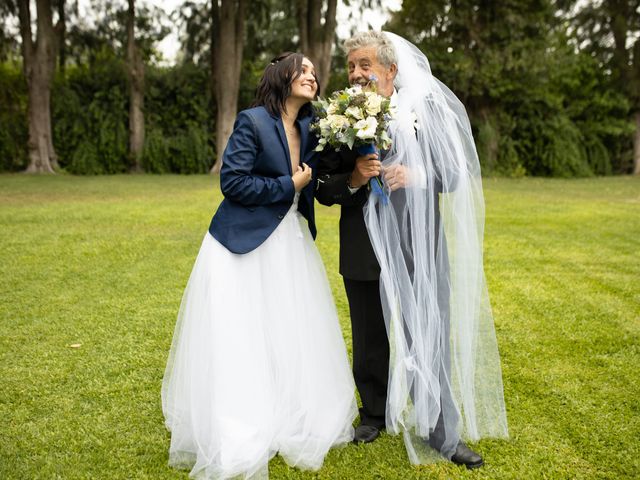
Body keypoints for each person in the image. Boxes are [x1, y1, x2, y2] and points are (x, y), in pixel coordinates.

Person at [315, 31, 508, 469]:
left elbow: (455, 173)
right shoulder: (338, 118)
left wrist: (417, 175)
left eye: (365, 65)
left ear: (391, 70)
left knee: (429, 332)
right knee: (368, 333)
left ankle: (441, 429)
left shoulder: (423, 109)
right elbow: (323, 188)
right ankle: (374, 415)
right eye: (350, 66)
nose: (357, 74)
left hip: (416, 241)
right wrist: (355, 179)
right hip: (362, 243)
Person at [162, 52, 357, 480]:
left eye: (313, 71)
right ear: (281, 77)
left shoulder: (313, 126)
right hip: (242, 245)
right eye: (303, 69)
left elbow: (325, 176)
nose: (312, 75)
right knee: (245, 331)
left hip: (291, 241)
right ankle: (243, 418)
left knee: (290, 328)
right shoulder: (251, 122)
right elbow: (232, 182)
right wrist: (289, 184)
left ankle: (289, 413)